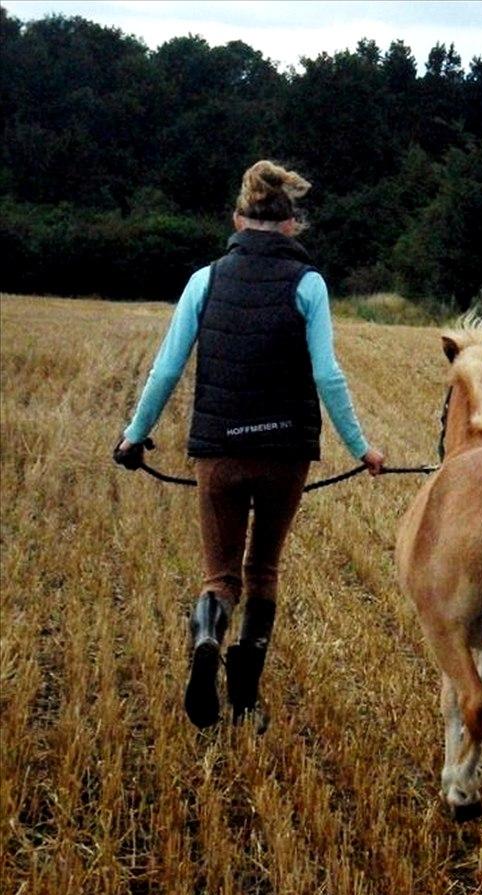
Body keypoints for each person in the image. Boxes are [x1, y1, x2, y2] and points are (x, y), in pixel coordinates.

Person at [115, 159, 384, 731]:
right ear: (291, 226)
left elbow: (165, 370)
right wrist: (362, 449)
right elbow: (328, 375)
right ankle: (244, 698)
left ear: (239, 219)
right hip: (284, 453)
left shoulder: (204, 280)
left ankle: (208, 635)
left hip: (219, 450)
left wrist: (134, 437)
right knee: (263, 571)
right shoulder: (308, 283)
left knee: (221, 576)